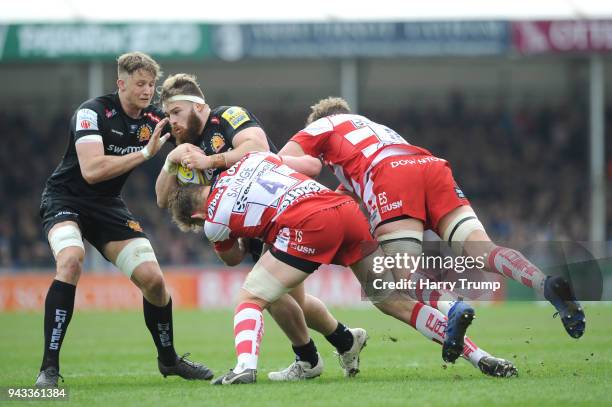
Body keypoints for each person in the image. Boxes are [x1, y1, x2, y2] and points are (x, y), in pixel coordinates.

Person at [168, 151, 518, 384]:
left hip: (307, 225)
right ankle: (481, 356)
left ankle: (245, 367)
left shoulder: (212, 218)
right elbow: (306, 167)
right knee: (394, 300)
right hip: (342, 210)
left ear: (196, 216)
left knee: (251, 297)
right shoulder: (249, 160)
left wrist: (236, 234)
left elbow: (231, 257)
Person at [279, 96, 586, 360]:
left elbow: (281, 160)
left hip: (390, 176)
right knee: (484, 251)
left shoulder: (318, 127)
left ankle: (453, 308)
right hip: (428, 165)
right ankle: (545, 283)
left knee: (400, 276)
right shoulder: (372, 127)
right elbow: (357, 181)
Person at [154, 73, 366, 381]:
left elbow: (255, 147)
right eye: (168, 115)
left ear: (198, 107)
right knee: (293, 299)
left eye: (176, 112)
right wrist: (170, 161)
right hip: (243, 220)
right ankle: (344, 341)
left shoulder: (227, 116)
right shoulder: (182, 145)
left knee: (272, 294)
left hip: (275, 206)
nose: (172, 121)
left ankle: (310, 359)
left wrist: (209, 162)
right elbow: (163, 200)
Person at [36, 52, 212, 387]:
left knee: (154, 281)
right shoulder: (92, 112)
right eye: (140, 84)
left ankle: (169, 360)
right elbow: (91, 171)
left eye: (151, 84)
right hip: (65, 199)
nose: (147, 90)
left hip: (107, 206)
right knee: (71, 260)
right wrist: (145, 154)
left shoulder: (154, 119)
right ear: (121, 84)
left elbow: (194, 132)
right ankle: (49, 369)